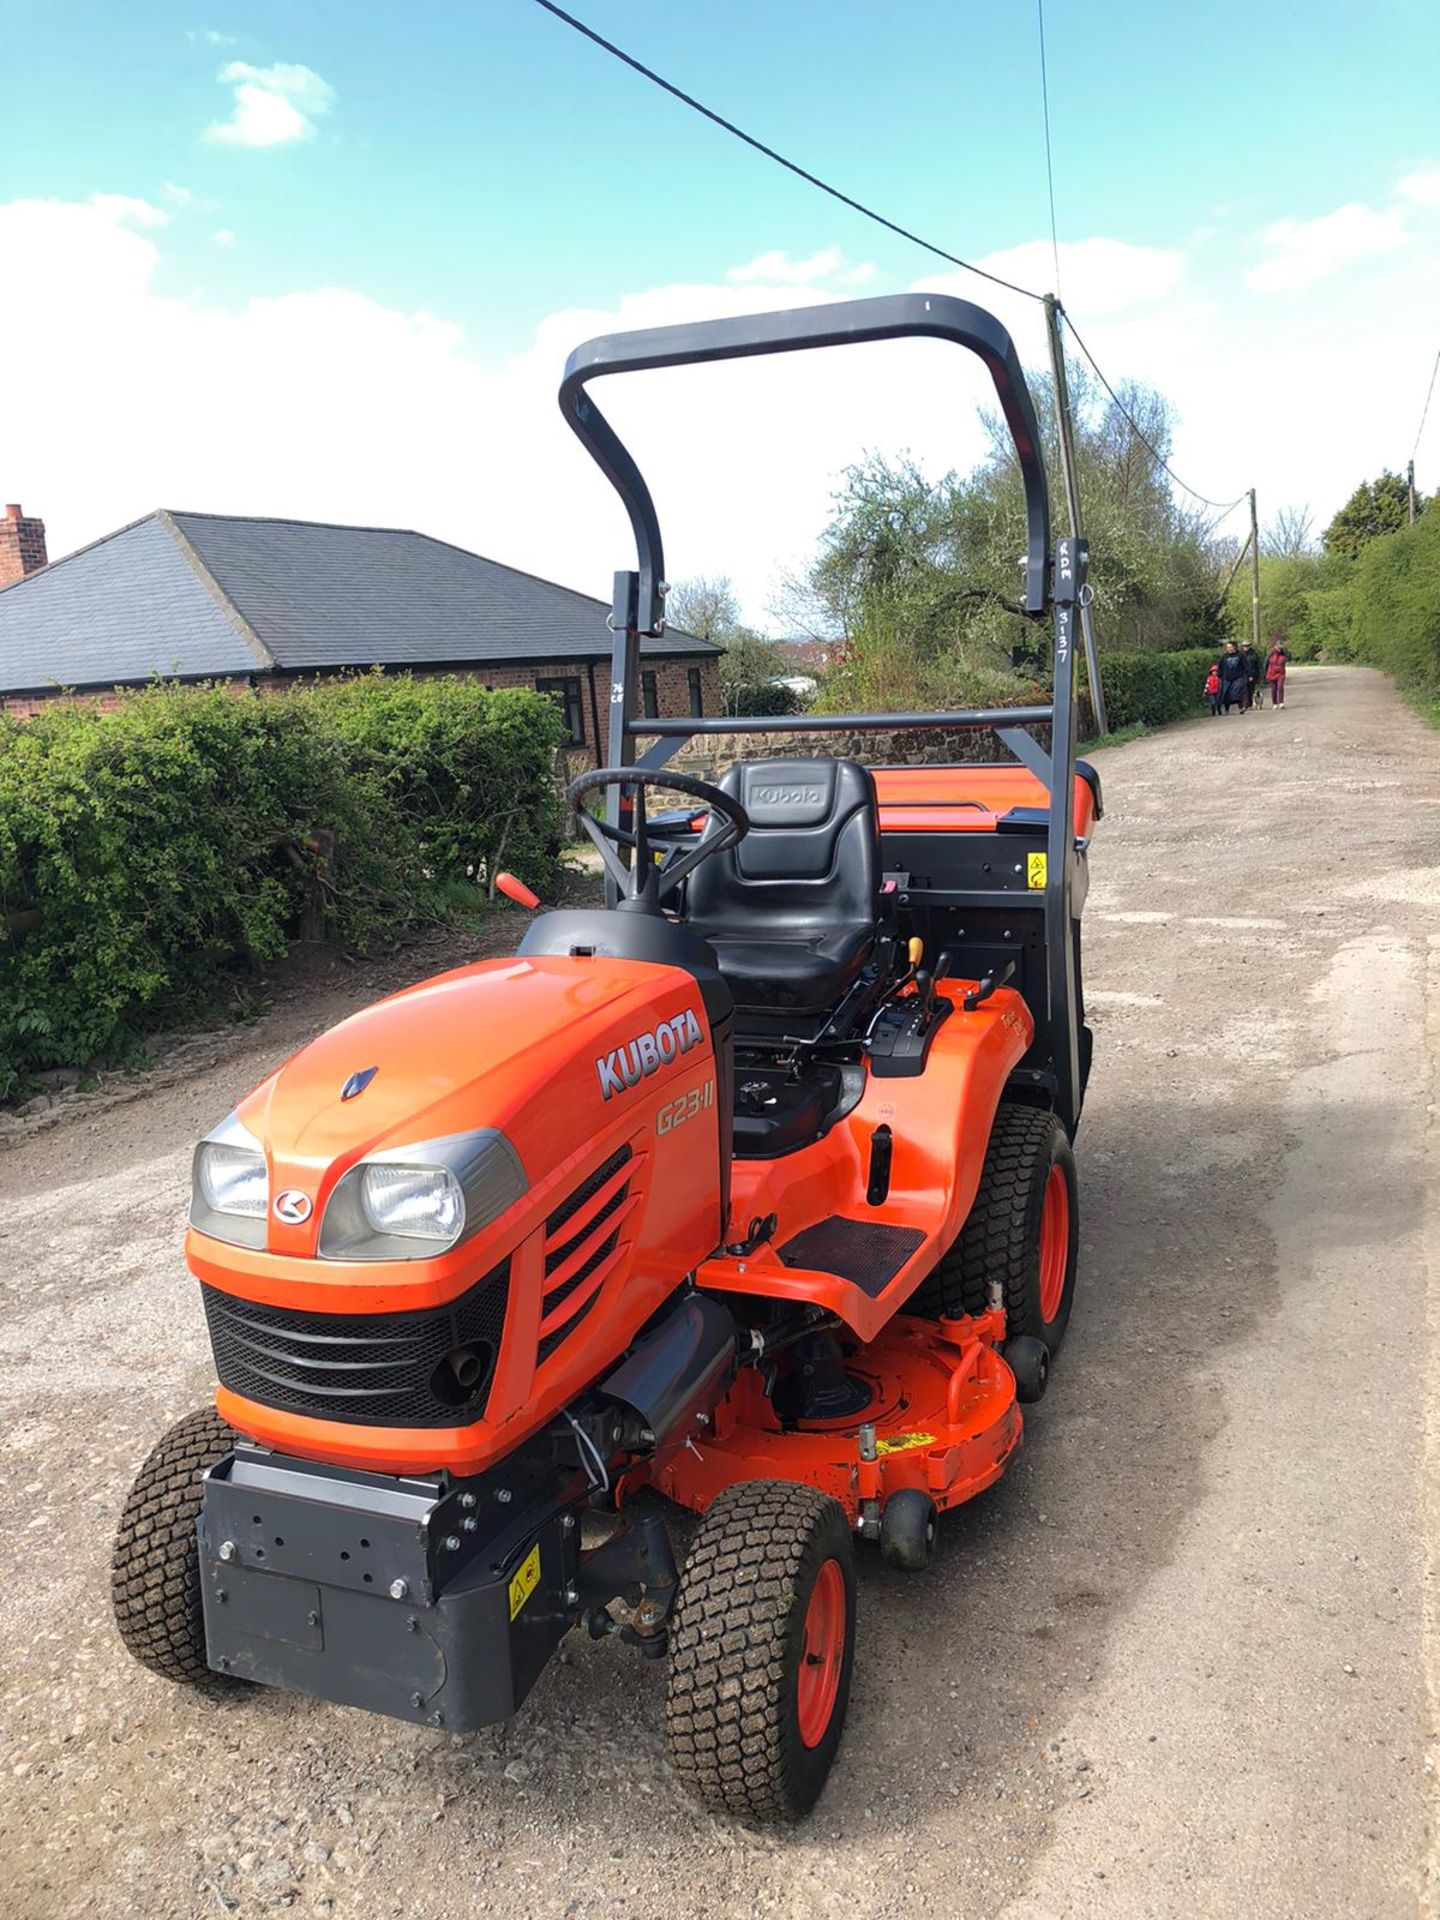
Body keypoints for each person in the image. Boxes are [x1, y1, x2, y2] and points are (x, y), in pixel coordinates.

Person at [1218, 641, 1248, 713]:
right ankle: (1226, 709)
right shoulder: (1224, 656)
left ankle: (1241, 707)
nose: (1229, 649)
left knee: (1237, 691)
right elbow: (1220, 666)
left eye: (1230, 647)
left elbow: (1246, 666)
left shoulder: (1240, 655)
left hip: (1238, 677)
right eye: (1227, 647)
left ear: (1234, 647)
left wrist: (1247, 674)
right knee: (1226, 693)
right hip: (1226, 678)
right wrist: (1220, 675)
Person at [1266, 635, 1291, 708]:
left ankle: (1281, 702)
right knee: (1273, 688)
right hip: (1272, 672)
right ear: (1275, 646)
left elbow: (1289, 658)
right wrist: (1264, 673)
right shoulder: (1270, 652)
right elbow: (1266, 662)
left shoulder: (1283, 652)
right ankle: (1274, 703)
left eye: (1281, 647)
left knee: (1280, 687)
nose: (1279, 648)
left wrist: (1285, 650)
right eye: (1278, 647)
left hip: (1281, 673)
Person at [1241, 641, 1262, 710]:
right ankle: (1246, 704)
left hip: (1253, 675)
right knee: (1245, 690)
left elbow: (1258, 665)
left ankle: (1251, 704)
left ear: (1249, 646)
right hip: (1243, 675)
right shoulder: (1241, 655)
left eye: (1247, 646)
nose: (1245, 647)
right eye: (1244, 646)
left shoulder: (1254, 654)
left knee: (1251, 690)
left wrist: (1258, 675)